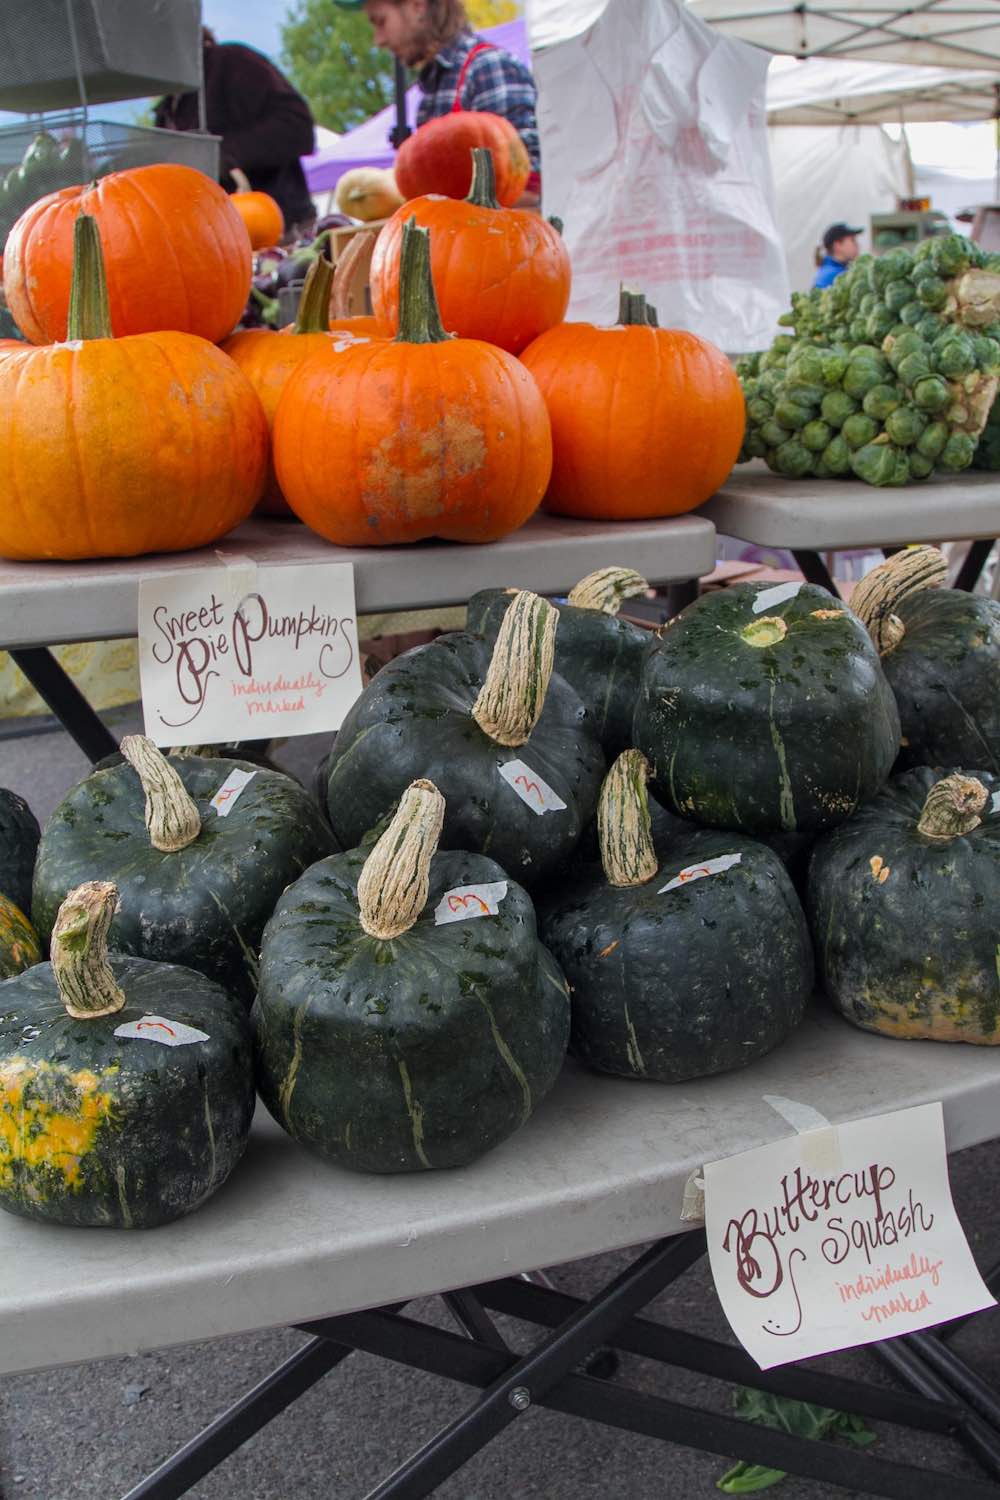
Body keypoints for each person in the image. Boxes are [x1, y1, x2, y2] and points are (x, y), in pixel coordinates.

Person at [354, 0, 541, 205]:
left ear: (418, 6)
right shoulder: (434, 87)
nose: (379, 40)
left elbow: (528, 186)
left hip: (496, 234)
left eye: (381, 22)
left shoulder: (487, 68)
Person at [154, 30, 316, 236]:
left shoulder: (232, 62)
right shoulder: (166, 110)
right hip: (213, 241)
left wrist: (222, 154)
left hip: (279, 230)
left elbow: (297, 127)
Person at [813, 222, 864, 288]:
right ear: (838, 245)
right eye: (853, 240)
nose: (857, 245)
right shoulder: (832, 276)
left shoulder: (837, 270)